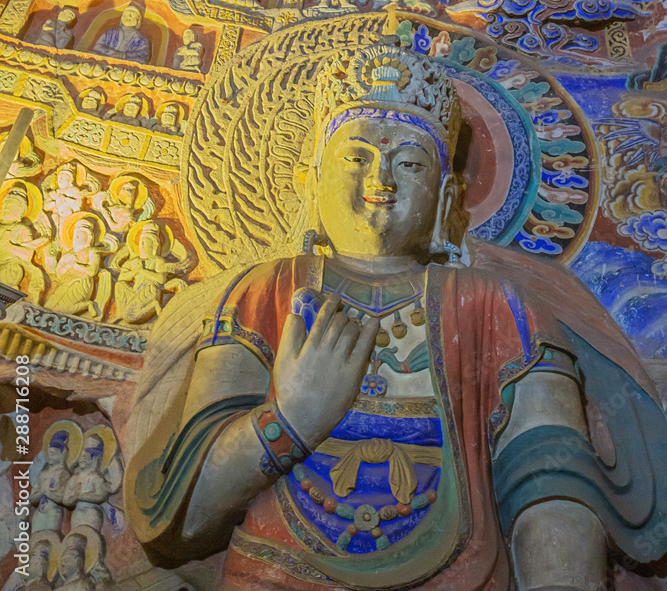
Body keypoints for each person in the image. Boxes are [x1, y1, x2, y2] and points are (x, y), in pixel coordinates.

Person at [126, 40, 667, 591]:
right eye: (356, 158)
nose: (380, 181)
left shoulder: (498, 306)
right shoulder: (265, 293)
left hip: (462, 572)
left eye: (409, 162)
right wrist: (290, 420)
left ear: (445, 199)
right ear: (310, 182)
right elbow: (186, 511)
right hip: (274, 570)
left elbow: (551, 476)